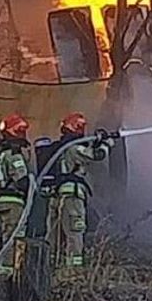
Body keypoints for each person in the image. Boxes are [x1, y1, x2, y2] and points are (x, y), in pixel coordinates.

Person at [45, 113, 112, 279]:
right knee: (75, 232)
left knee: (55, 235)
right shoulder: (74, 147)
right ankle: (72, 274)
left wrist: (97, 140)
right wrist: (106, 144)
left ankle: (51, 271)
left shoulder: (61, 147)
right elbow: (96, 156)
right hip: (72, 197)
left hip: (56, 195)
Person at [0, 114, 32, 276]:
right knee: (15, 239)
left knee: (7, 237)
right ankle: (13, 275)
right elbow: (22, 181)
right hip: (13, 202)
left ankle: (7, 272)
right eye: (21, 130)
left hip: (0, 201)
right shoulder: (14, 154)